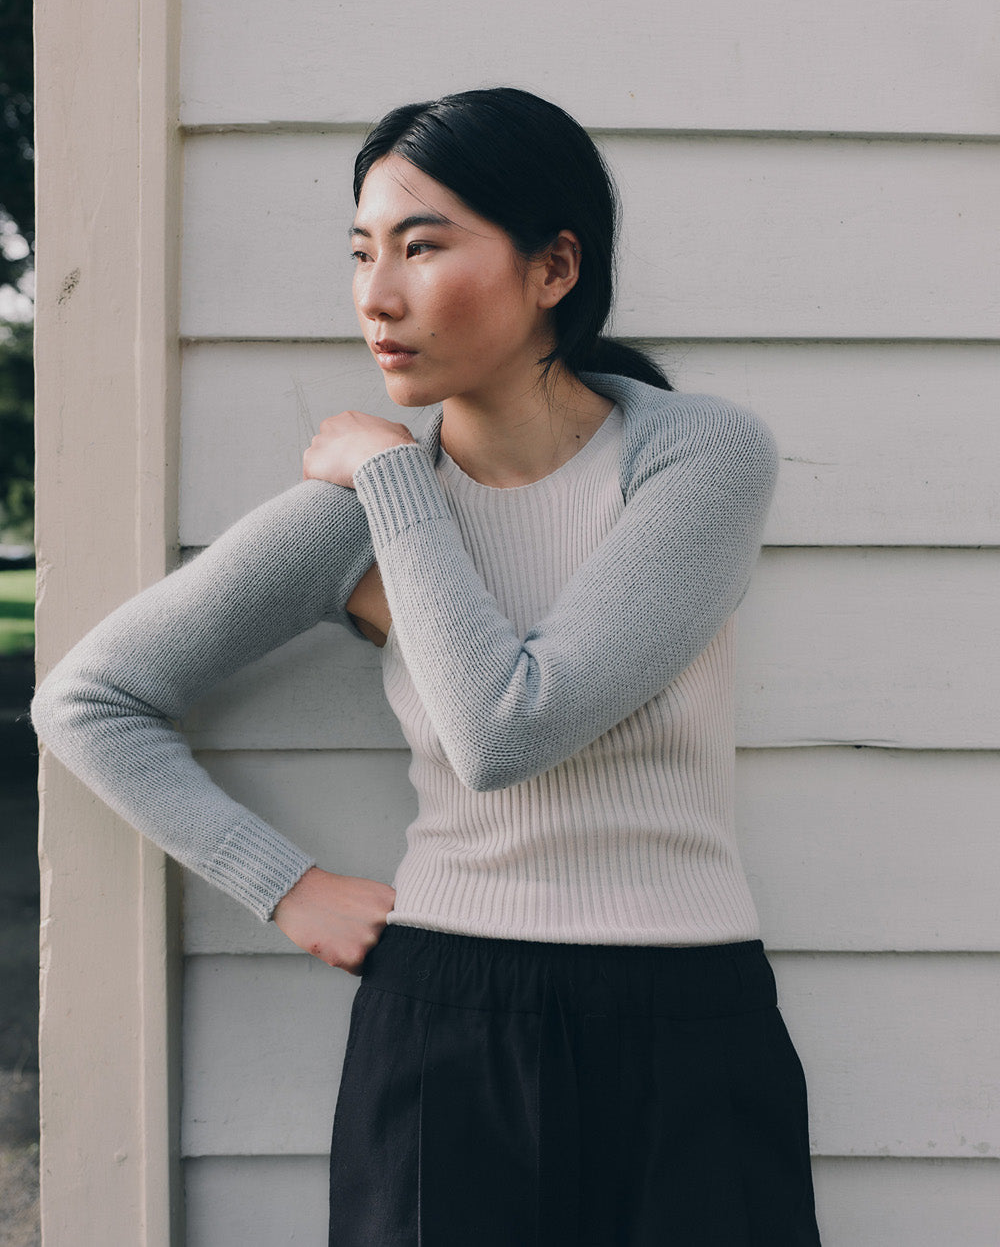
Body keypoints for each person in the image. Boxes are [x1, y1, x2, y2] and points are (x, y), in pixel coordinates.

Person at [32, 88, 822, 1246]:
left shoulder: (690, 456)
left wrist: (394, 481)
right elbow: (89, 697)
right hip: (447, 1024)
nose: (374, 294)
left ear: (554, 267)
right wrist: (287, 888)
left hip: (688, 1019)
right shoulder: (357, 510)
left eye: (421, 245)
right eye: (360, 252)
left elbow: (508, 727)